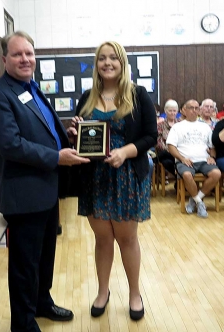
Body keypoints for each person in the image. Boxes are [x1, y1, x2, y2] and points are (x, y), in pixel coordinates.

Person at [0, 31, 90, 332]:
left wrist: (63, 136)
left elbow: (40, 133)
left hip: (47, 190)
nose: (25, 59)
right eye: (17, 54)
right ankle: (23, 322)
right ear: (5, 59)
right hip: (24, 194)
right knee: (24, 264)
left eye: (29, 53)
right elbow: (10, 145)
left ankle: (42, 301)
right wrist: (57, 157)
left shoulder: (32, 88)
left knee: (45, 256)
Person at [71, 41, 157, 321]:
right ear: (96, 64)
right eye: (102, 59)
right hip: (94, 178)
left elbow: (150, 137)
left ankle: (134, 293)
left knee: (127, 239)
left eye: (113, 59)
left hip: (127, 177)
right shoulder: (85, 97)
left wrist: (125, 151)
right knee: (102, 238)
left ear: (122, 63)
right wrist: (75, 133)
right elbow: (83, 137)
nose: (107, 63)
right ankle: (103, 291)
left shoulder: (138, 94)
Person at [166, 99, 221, 218]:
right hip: (184, 160)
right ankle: (200, 203)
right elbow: (171, 146)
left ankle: (195, 199)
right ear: (184, 110)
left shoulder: (205, 127)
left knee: (216, 173)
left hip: (203, 160)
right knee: (186, 175)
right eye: (191, 108)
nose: (194, 111)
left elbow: (212, 146)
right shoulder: (177, 127)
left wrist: (212, 156)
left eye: (196, 108)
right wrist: (182, 158)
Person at [156, 99, 180, 177]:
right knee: (166, 160)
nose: (172, 113)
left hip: (180, 152)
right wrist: (170, 150)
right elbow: (158, 141)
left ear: (177, 111)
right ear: (165, 111)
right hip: (166, 151)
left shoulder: (181, 124)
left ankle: (180, 181)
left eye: (174, 111)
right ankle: (180, 178)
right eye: (170, 111)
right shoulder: (160, 125)